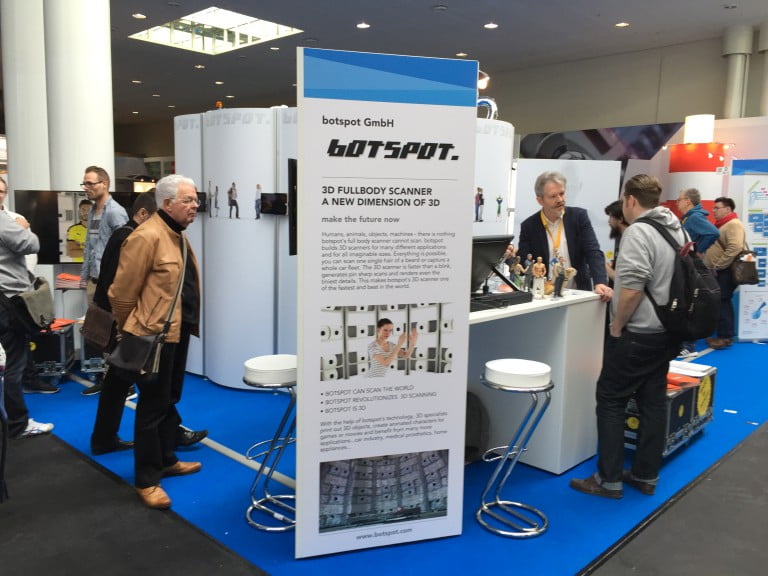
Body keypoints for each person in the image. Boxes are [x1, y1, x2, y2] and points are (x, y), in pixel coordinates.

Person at [570, 174, 682, 499]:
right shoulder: (675, 227)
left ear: (630, 200)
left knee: (610, 398)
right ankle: (646, 475)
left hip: (638, 333)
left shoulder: (639, 232)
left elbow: (632, 289)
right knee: (653, 402)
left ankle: (608, 480)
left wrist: (617, 327)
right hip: (666, 331)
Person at [109, 174, 203, 509]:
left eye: (195, 200)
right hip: (154, 336)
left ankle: (165, 459)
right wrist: (132, 328)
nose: (195, 206)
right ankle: (147, 480)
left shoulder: (177, 234)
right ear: (167, 203)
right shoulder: (146, 236)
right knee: (151, 406)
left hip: (177, 332)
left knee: (167, 400)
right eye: (188, 200)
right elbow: (121, 293)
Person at [90, 192, 208, 455]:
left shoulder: (136, 236)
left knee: (124, 383)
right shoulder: (135, 238)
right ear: (145, 214)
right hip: (132, 326)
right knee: (151, 388)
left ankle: (108, 438)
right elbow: (120, 288)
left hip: (130, 324)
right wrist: (124, 326)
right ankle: (164, 441)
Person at [0, 185, 55, 440]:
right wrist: (23, 227)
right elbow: (31, 244)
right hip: (8, 300)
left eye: (2, 190)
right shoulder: (5, 220)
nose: (0, 195)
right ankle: (18, 424)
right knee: (15, 364)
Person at [517, 171, 612, 302]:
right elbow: (524, 262)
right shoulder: (529, 226)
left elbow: (593, 251)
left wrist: (600, 282)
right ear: (540, 200)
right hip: (544, 297)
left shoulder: (579, 217)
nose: (560, 200)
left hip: (578, 293)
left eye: (561, 193)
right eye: (553, 196)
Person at [80, 166, 128, 396]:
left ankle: (122, 383)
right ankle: (109, 379)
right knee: (99, 334)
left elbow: (126, 248)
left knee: (113, 334)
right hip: (95, 280)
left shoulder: (115, 212)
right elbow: (90, 248)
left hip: (110, 283)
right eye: (84, 183)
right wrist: (84, 276)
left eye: (90, 183)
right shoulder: (92, 211)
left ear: (105, 184)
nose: (86, 188)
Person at [675, 188, 721, 357]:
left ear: (688, 201)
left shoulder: (694, 217)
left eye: (679, 199)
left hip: (691, 264)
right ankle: (685, 343)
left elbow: (713, 232)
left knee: (690, 302)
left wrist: (698, 249)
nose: (677, 202)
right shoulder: (689, 217)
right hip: (687, 263)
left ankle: (689, 345)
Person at [703, 196, 746, 350]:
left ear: (728, 209)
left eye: (717, 208)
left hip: (726, 270)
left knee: (722, 300)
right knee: (721, 301)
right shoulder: (724, 224)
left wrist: (718, 265)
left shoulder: (733, 224)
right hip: (721, 270)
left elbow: (735, 247)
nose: (713, 210)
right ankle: (724, 335)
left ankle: (725, 337)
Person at [604, 199, 628, 286]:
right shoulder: (621, 239)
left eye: (611, 217)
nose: (609, 221)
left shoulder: (630, 242)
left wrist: (604, 265)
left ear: (620, 219)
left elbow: (622, 280)